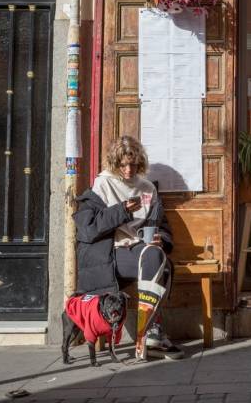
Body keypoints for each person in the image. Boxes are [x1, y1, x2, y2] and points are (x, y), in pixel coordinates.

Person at [73, 135, 183, 360]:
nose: (128, 169)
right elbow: (88, 228)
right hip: (108, 251)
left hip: (138, 247)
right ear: (115, 164)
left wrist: (160, 238)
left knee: (157, 256)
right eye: (123, 164)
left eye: (133, 164)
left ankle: (149, 331)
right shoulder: (102, 184)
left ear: (139, 163)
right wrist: (122, 210)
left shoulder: (147, 188)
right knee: (155, 262)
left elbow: (159, 225)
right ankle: (152, 330)